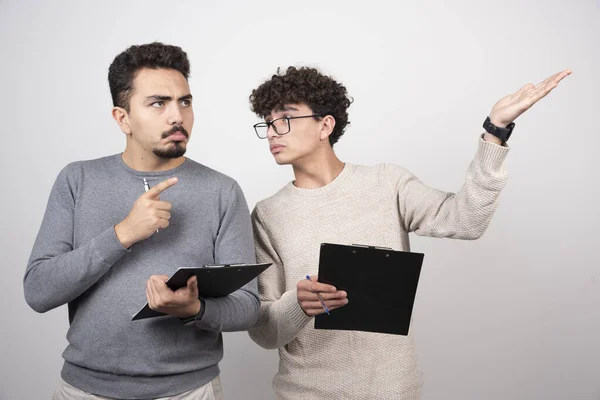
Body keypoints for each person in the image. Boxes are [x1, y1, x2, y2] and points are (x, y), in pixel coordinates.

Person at [247, 66, 571, 399]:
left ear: (324, 124)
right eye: (267, 123)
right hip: (306, 393)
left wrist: (495, 130)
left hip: (393, 389)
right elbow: (264, 330)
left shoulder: (387, 184)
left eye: (285, 118)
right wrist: (297, 304)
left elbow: (467, 220)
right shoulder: (268, 215)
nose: (272, 132)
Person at [24, 42, 259, 400]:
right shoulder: (77, 180)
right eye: (158, 103)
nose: (177, 116)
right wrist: (122, 234)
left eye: (185, 101)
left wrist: (195, 309)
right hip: (85, 390)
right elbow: (39, 291)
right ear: (122, 118)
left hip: (189, 391)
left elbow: (248, 307)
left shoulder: (222, 191)